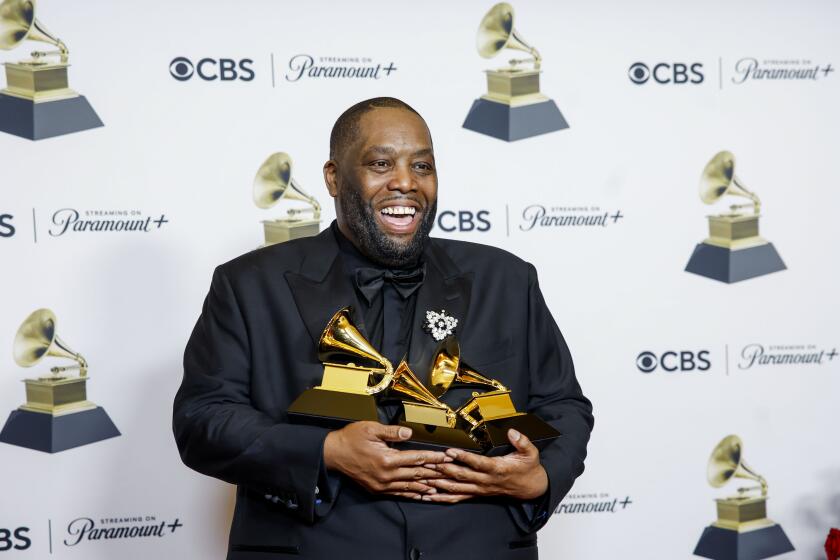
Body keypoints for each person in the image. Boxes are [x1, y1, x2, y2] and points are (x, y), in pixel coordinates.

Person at [173, 97, 593, 560]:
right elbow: (202, 419)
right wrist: (327, 450)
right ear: (333, 177)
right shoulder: (249, 284)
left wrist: (543, 476)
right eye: (380, 163)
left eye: (422, 166)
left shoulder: (508, 279)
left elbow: (563, 405)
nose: (405, 182)